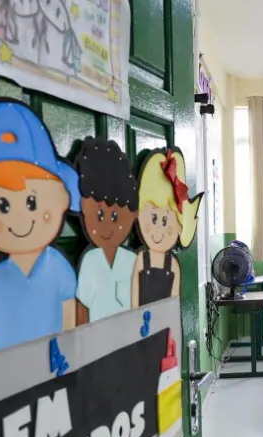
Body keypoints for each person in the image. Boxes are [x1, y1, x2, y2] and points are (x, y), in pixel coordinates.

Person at [0, 101, 80, 356]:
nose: (21, 218)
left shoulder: (59, 269)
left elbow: (70, 331)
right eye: (2, 204)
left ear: (62, 199)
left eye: (31, 201)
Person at [73, 138, 139, 324]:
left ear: (133, 214)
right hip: (96, 346)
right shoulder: (90, 261)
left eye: (116, 217)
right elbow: (82, 310)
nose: (107, 227)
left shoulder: (133, 261)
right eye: (100, 215)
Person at [130, 149, 204, 306]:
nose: (158, 230)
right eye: (153, 218)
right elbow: (133, 304)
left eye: (165, 221)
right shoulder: (140, 260)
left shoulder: (173, 265)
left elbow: (174, 305)